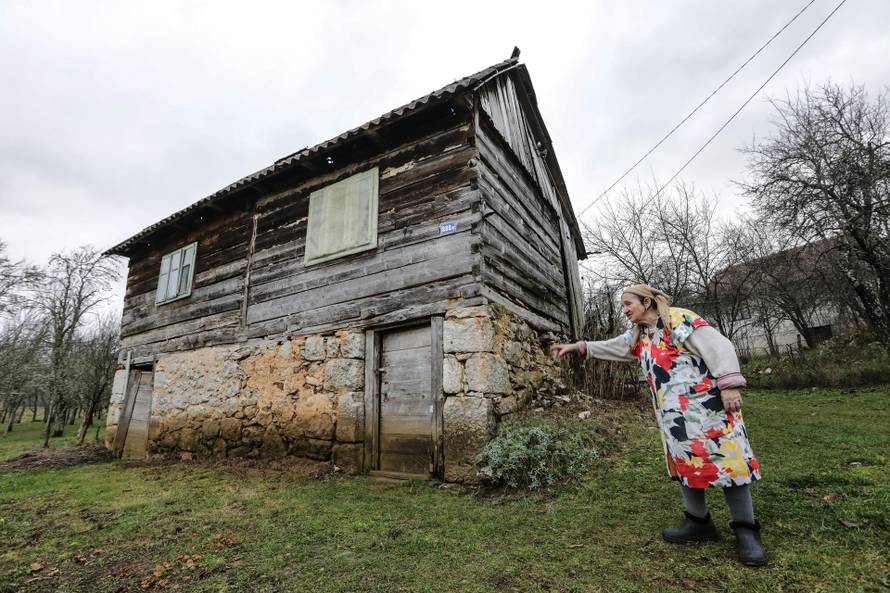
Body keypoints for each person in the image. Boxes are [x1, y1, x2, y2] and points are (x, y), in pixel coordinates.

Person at [551, 284, 767, 566]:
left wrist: (729, 385)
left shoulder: (678, 320)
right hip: (674, 418)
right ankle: (698, 523)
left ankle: (746, 530)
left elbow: (719, 346)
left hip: (709, 409)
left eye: (629, 303)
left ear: (647, 301)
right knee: (686, 463)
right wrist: (578, 347)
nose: (625, 310)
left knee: (729, 462)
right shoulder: (640, 336)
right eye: (623, 305)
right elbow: (615, 346)